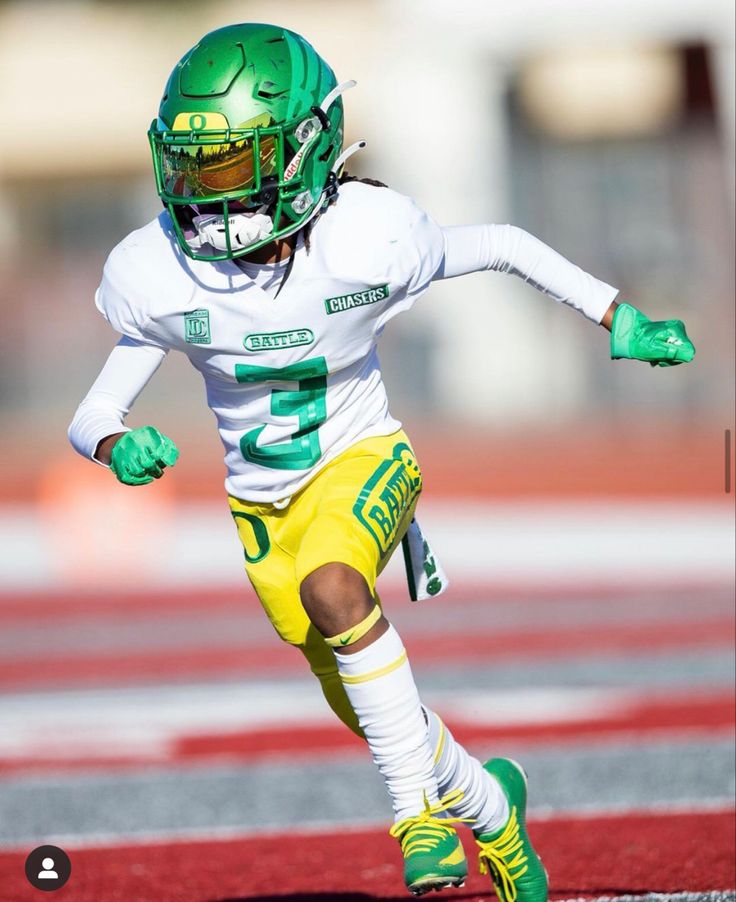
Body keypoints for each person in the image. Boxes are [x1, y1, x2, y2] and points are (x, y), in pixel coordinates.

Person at [68, 23, 695, 902]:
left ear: (302, 152)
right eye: (192, 169)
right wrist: (111, 440)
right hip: (263, 514)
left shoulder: (369, 237)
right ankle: (493, 812)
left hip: (366, 459)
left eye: (230, 166)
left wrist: (615, 316)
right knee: (379, 709)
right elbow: (94, 409)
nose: (206, 199)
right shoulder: (159, 274)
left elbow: (503, 242)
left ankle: (417, 822)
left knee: (337, 589)